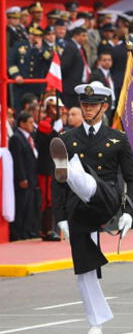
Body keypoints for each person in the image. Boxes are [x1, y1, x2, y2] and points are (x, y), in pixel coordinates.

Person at [50, 81, 133, 334]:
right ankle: (96, 322)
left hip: (106, 200)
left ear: (104, 107)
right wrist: (61, 217)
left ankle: (73, 172)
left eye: (93, 105)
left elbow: (132, 178)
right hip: (79, 207)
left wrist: (130, 213)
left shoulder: (118, 139)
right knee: (84, 268)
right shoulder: (67, 138)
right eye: (84, 105)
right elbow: (57, 188)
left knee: (80, 175)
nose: (87, 110)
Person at [35, 96, 66, 241]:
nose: (56, 111)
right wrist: (56, 130)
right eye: (53, 108)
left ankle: (54, 228)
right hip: (46, 167)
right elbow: (50, 143)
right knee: (47, 199)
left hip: (56, 166)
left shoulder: (58, 124)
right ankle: (46, 230)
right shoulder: (45, 124)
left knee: (55, 198)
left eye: (58, 108)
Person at [9, 112, 40, 241]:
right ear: (22, 123)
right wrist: (22, 178)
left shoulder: (30, 137)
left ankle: (28, 230)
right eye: (30, 122)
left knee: (30, 206)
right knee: (22, 206)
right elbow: (18, 160)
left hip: (32, 177)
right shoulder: (16, 138)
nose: (33, 125)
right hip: (23, 179)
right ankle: (18, 232)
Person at [61, 27, 91, 108]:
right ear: (75, 36)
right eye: (83, 36)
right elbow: (64, 66)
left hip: (79, 85)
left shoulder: (80, 48)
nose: (86, 38)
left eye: (86, 36)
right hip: (71, 88)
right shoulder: (70, 47)